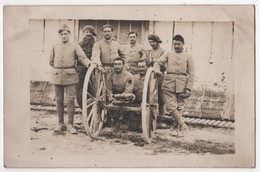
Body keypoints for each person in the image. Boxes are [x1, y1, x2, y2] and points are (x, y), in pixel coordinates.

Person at [49, 24, 93, 134]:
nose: (64, 36)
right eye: (62, 34)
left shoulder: (75, 46)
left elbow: (83, 58)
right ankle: (60, 123)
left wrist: (90, 64)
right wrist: (59, 68)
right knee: (59, 100)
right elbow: (51, 61)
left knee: (70, 100)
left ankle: (70, 125)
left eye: (66, 34)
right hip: (57, 75)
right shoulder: (54, 46)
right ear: (59, 35)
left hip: (70, 76)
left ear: (69, 34)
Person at [154, 35, 195, 137]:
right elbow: (158, 62)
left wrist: (189, 88)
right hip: (169, 83)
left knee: (180, 106)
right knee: (171, 107)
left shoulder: (188, 56)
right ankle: (182, 125)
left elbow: (192, 73)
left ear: (183, 44)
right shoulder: (168, 53)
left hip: (182, 83)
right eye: (175, 44)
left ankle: (176, 128)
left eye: (178, 44)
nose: (176, 46)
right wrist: (157, 70)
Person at [141, 34, 166, 126]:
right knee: (149, 96)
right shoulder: (148, 52)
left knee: (160, 96)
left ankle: (161, 118)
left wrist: (156, 63)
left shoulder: (163, 52)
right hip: (149, 77)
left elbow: (164, 64)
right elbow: (143, 60)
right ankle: (150, 117)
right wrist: (148, 61)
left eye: (153, 42)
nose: (151, 44)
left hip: (159, 76)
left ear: (157, 41)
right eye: (150, 42)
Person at [76, 25, 96, 109]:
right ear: (83, 33)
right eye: (86, 32)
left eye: (90, 32)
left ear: (93, 34)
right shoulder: (78, 45)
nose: (88, 34)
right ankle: (83, 109)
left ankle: (92, 110)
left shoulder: (96, 45)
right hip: (81, 71)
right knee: (80, 92)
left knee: (92, 91)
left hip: (93, 72)